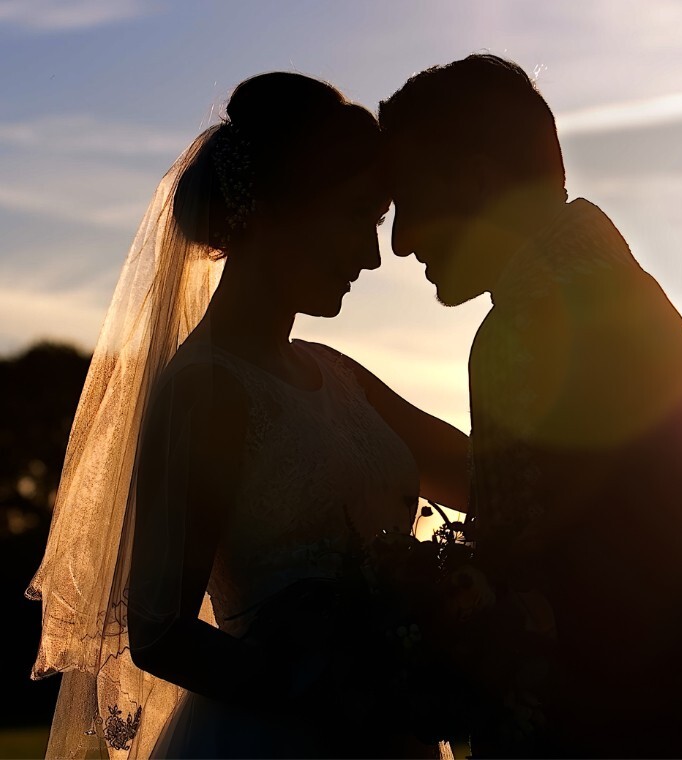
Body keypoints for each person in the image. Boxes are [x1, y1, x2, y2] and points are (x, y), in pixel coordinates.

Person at [27, 72, 468, 759]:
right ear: (272, 210)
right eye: (356, 216)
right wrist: (324, 692)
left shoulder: (341, 375)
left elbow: (481, 477)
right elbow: (159, 629)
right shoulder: (204, 388)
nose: (372, 255)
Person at [379, 53, 682, 758]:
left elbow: (522, 585)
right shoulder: (623, 293)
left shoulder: (525, 328)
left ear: (474, 181)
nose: (398, 242)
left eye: (409, 201)